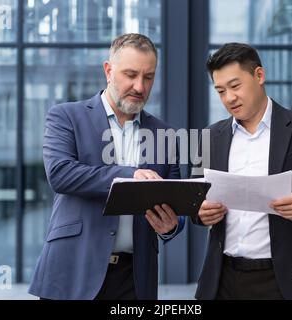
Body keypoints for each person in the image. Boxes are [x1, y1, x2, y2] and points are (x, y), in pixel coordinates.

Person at [29, 33, 185, 300]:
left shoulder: (164, 133)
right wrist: (130, 174)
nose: (140, 86)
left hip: (134, 278)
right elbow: (61, 174)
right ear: (108, 71)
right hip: (73, 269)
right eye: (131, 74)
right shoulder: (66, 116)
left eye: (148, 77)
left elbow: (176, 200)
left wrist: (172, 226)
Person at [193, 43, 292, 300]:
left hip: (280, 279)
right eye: (220, 91)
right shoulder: (209, 137)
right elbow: (194, 197)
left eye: (235, 86)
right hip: (221, 278)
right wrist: (199, 211)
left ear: (259, 76)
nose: (229, 98)